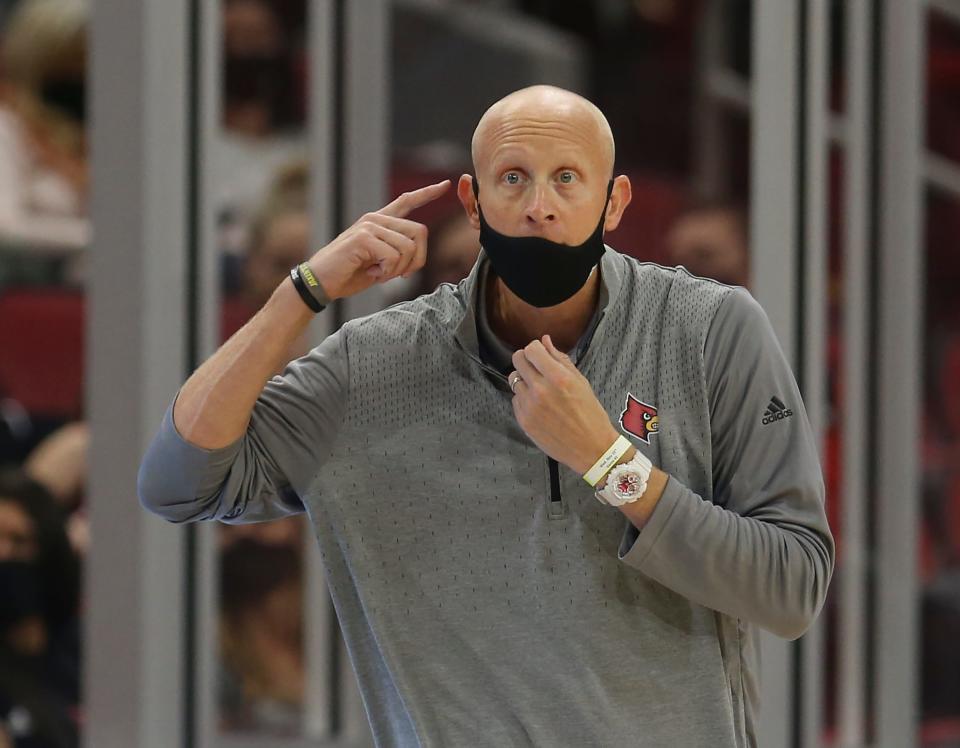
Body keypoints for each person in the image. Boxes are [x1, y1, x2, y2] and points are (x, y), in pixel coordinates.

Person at [140, 85, 834, 747]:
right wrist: (303, 291)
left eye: (568, 178)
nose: (540, 206)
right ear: (471, 203)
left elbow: (790, 587)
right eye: (512, 178)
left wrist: (609, 462)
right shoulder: (373, 365)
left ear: (614, 201)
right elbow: (178, 482)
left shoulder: (711, 332)